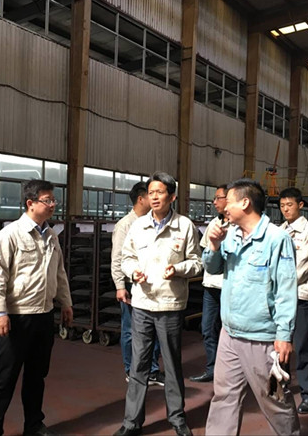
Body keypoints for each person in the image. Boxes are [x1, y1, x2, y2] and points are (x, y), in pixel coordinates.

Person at [204, 179, 300, 436]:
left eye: (229, 201)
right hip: (229, 335)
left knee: (274, 399)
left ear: (245, 202)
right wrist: (213, 245)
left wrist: (284, 334)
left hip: (262, 339)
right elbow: (212, 268)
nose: (224, 207)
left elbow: (286, 289)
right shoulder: (230, 235)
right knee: (223, 397)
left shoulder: (277, 239)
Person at [114, 172, 202, 436]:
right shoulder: (138, 225)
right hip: (142, 304)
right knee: (139, 365)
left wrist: (178, 269)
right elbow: (126, 258)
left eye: (159, 192)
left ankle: (177, 418)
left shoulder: (184, 226)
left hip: (170, 305)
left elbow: (197, 263)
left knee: (172, 364)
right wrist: (133, 273)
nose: (154, 197)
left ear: (171, 196)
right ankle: (131, 422)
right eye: (151, 192)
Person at [0, 179, 73, 436]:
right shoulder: (9, 235)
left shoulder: (51, 236)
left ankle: (33, 425)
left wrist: (66, 302)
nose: (53, 204)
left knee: (36, 376)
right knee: (5, 378)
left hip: (44, 315)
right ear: (30, 203)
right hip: (17, 317)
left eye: (54, 200)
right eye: (48, 200)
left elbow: (59, 272)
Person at [111, 182, 164, 386]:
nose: (155, 198)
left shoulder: (154, 222)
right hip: (130, 285)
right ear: (141, 199)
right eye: (151, 194)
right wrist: (120, 286)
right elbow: (118, 258)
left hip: (152, 285)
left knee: (152, 330)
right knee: (130, 330)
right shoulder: (125, 225)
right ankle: (130, 370)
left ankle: (151, 370)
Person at [279, 187, 308, 414]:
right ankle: (281, 386)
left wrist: (275, 283)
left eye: (290, 205)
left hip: (301, 297)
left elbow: (303, 268)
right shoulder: (279, 231)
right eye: (282, 205)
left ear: (300, 205)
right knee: (280, 344)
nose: (286, 209)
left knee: (303, 345)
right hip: (280, 298)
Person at [189, 184, 229, 383]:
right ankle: (212, 369)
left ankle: (231, 373)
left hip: (229, 289)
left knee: (230, 332)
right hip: (211, 288)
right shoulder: (214, 223)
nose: (214, 202)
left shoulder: (239, 227)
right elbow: (205, 253)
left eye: (218, 198)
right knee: (208, 329)